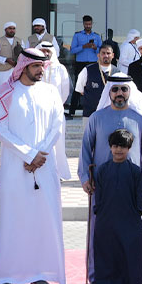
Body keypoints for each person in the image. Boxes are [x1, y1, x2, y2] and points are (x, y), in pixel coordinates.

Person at [0, 46, 66, 284]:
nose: (41, 70)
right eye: (36, 66)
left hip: (44, 167)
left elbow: (57, 125)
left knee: (42, 219)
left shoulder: (51, 92)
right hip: (14, 167)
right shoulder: (5, 93)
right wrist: (29, 154)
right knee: (11, 219)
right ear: (23, 66)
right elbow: (1, 130)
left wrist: (40, 154)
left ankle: (40, 273)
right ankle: (5, 275)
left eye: (43, 66)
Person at [80, 72, 142, 284]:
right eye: (115, 89)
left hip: (131, 187)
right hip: (102, 186)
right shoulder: (97, 118)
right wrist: (85, 178)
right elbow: (86, 148)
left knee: (131, 234)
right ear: (109, 92)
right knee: (102, 233)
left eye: (124, 89)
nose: (119, 93)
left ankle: (132, 278)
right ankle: (100, 279)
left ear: (130, 92)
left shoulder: (141, 119)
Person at [91, 129, 142, 284]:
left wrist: (137, 211)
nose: (118, 150)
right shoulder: (101, 170)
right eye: (115, 146)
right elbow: (98, 194)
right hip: (106, 216)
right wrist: (98, 210)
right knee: (105, 249)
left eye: (123, 146)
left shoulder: (136, 171)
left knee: (129, 249)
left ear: (129, 148)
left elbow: (139, 195)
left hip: (130, 216)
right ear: (109, 147)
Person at [37, 40, 73, 183]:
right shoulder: (33, 67)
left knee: (58, 143)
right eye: (43, 51)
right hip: (38, 112)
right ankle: (41, 170)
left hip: (56, 111)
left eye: (48, 51)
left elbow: (65, 91)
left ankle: (59, 173)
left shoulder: (60, 69)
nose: (45, 53)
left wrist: (56, 105)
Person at [67, 15, 102, 116]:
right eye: (86, 24)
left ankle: (97, 110)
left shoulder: (96, 36)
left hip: (93, 63)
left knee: (95, 86)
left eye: (89, 24)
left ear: (92, 24)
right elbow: (72, 50)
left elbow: (102, 50)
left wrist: (95, 48)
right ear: (83, 24)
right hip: (80, 63)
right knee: (79, 86)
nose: (88, 26)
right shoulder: (77, 36)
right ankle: (72, 111)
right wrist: (83, 47)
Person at [75, 42, 115, 125]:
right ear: (98, 55)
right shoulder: (87, 70)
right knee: (89, 138)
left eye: (108, 53)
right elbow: (80, 90)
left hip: (112, 114)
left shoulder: (117, 72)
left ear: (113, 55)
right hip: (90, 114)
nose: (106, 55)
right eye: (103, 53)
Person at [0, 21, 21, 92]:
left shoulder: (19, 41)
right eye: (10, 28)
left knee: (16, 91)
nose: (12, 30)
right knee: (3, 91)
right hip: (3, 71)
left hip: (16, 71)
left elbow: (24, 54)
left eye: (13, 28)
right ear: (5, 29)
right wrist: (5, 60)